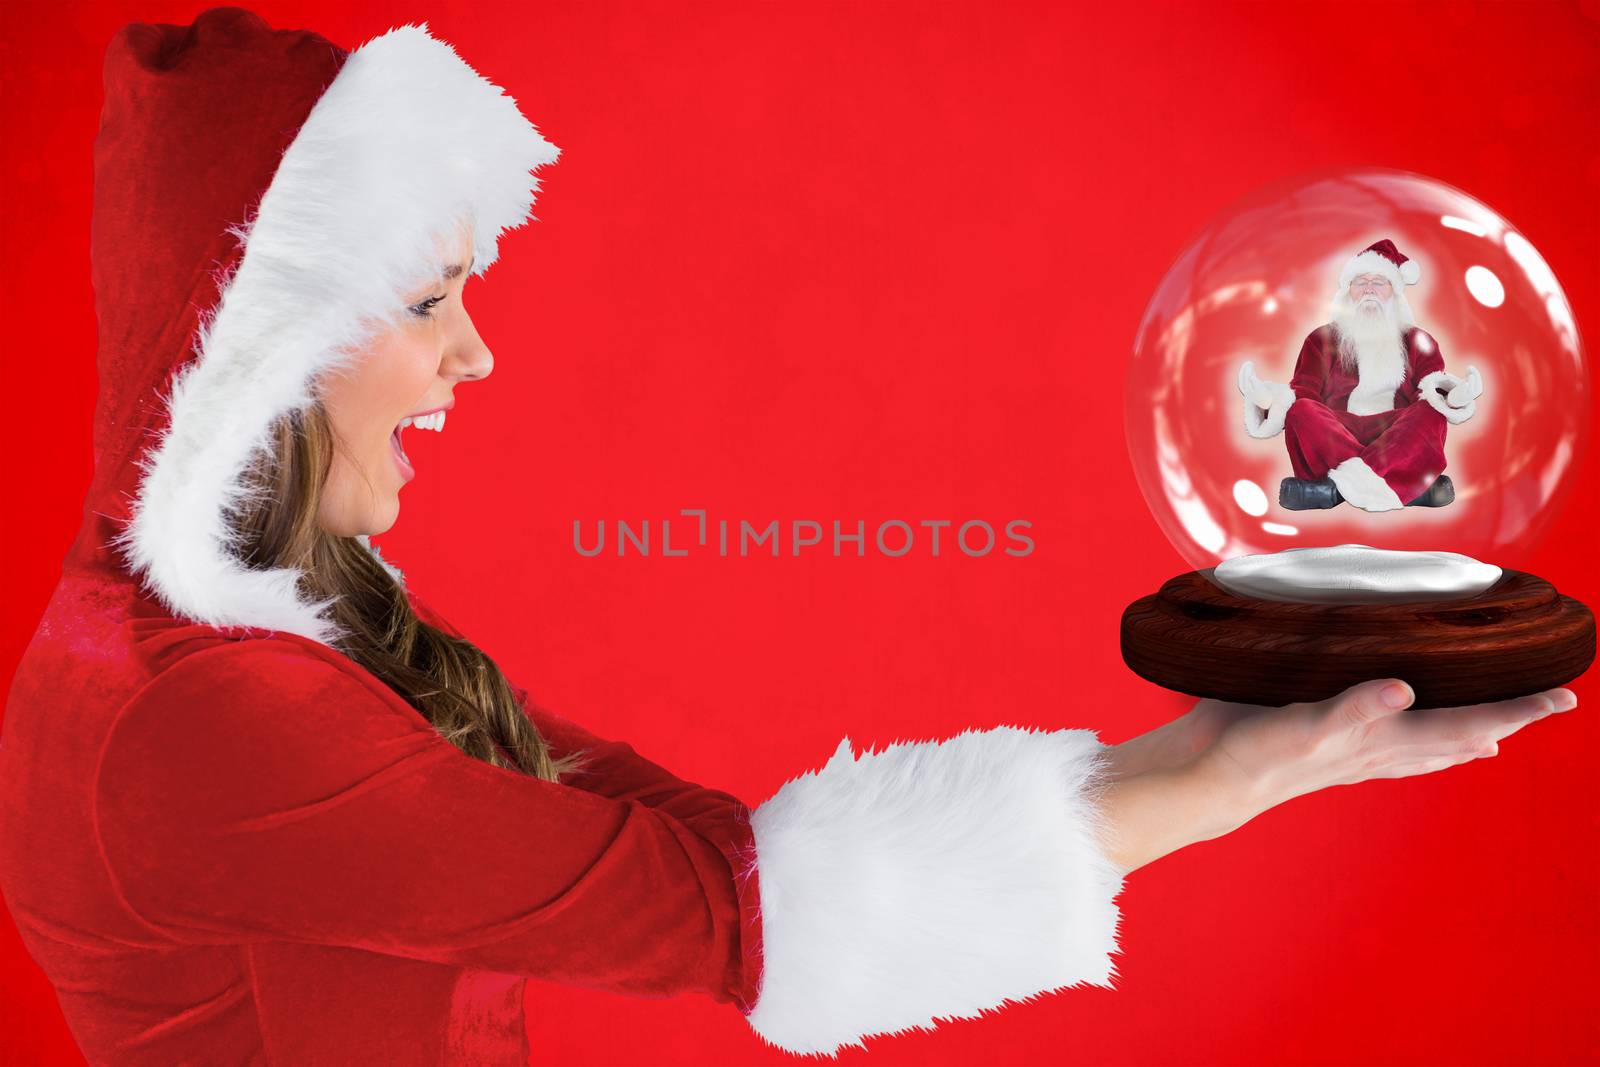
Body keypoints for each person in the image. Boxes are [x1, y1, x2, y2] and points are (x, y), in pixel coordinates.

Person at [0, 9, 1575, 1065]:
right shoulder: (205, 719)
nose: (474, 356)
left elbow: (692, 838)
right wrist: (1230, 785)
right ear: (260, 351)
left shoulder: (242, 655)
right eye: (426, 301)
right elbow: (732, 909)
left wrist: (1184, 759)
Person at [1237, 239, 1485, 512]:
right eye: (1360, 282)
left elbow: (1431, 389)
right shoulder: (1320, 340)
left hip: (1396, 432)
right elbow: (1303, 392)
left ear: (1394, 292)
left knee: (1431, 412)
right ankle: (1400, 484)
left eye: (1379, 281)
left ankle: (1333, 490)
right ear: (1347, 291)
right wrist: (1268, 400)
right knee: (1301, 410)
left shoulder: (1417, 341)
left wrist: (1454, 396)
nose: (1369, 289)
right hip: (1338, 431)